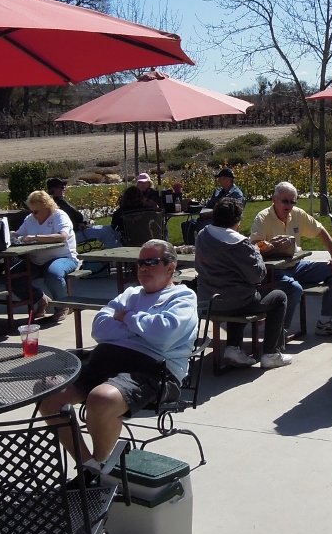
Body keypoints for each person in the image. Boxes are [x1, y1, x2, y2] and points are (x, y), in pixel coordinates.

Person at [39, 240, 198, 483]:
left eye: (152, 262)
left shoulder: (182, 297)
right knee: (46, 390)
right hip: (104, 362)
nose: (144, 268)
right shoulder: (131, 293)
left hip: (154, 370)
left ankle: (98, 469)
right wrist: (143, 327)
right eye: (140, 263)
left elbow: (164, 335)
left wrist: (127, 318)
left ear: (170, 267)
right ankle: (90, 467)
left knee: (102, 398)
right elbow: (100, 328)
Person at [196, 197, 292, 369]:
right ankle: (271, 353)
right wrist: (255, 252)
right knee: (279, 297)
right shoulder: (240, 243)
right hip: (235, 301)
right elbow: (257, 276)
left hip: (207, 301)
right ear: (237, 221)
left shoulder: (203, 235)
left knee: (238, 292)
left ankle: (233, 347)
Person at [249, 182, 332, 337]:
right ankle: (279, 333)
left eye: (292, 201)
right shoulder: (262, 218)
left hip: (296, 266)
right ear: (274, 199)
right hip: (273, 271)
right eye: (285, 201)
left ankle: (327, 322)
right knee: (295, 289)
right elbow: (253, 245)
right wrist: (268, 246)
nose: (289, 205)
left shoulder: (298, 214)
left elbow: (320, 230)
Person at [12, 190, 80, 323]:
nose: (34, 215)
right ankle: (42, 300)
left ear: (47, 207)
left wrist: (35, 237)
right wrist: (6, 232)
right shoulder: (30, 219)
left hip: (64, 257)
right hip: (36, 260)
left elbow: (62, 236)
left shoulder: (59, 216)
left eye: (36, 211)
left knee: (53, 274)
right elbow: (18, 235)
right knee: (13, 278)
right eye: (32, 211)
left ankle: (62, 305)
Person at [48, 176, 121, 251]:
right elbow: (58, 224)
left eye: (64, 186)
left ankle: (123, 251)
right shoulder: (54, 206)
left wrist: (86, 222)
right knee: (105, 233)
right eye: (61, 187)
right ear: (53, 190)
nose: (64, 189)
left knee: (111, 229)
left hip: (83, 228)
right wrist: (77, 226)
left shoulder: (62, 201)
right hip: (73, 234)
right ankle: (117, 257)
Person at [182, 167, 245, 244]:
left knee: (203, 225)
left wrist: (211, 214)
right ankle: (191, 247)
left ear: (226, 179)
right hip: (207, 217)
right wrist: (200, 211)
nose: (218, 180)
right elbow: (208, 205)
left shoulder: (236, 194)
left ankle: (205, 248)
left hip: (222, 221)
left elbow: (232, 213)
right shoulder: (217, 192)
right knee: (187, 225)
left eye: (220, 178)